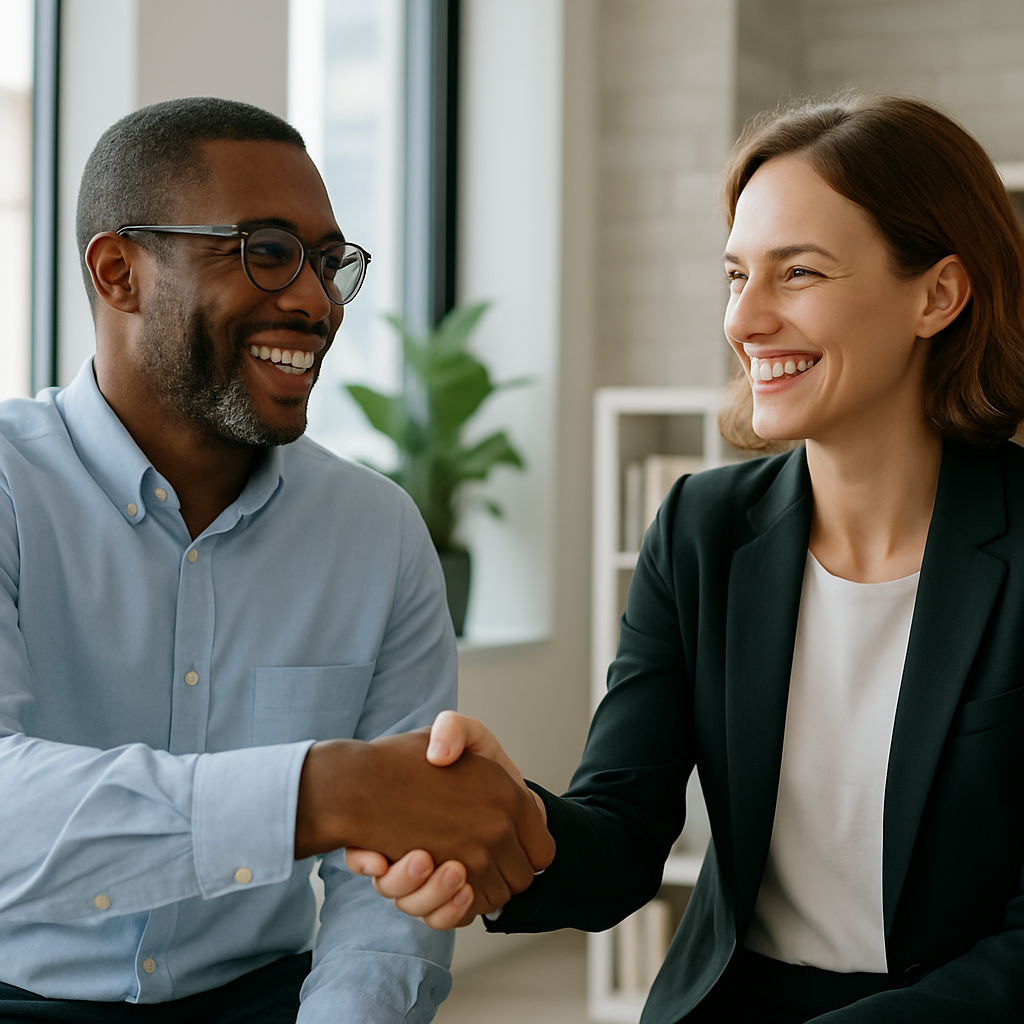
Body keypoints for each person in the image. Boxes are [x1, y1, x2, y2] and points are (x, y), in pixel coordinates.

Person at [348, 94, 1024, 1022]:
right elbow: (623, 836)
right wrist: (502, 829)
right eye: (736, 275)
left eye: (800, 274)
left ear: (937, 295)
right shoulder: (700, 530)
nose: (744, 320)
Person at [0, 97, 552, 1024]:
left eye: (329, 262)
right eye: (265, 251)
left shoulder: (378, 532)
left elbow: (391, 895)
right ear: (118, 271)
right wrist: (324, 790)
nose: (315, 300)